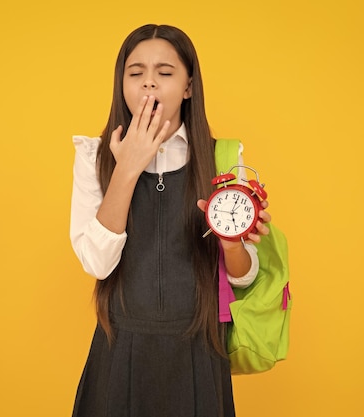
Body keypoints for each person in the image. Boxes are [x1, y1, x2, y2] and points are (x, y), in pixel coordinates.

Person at [69, 24, 271, 417]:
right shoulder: (94, 156)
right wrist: (127, 168)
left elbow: (244, 276)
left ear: (188, 86)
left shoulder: (224, 157)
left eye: (164, 73)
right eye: (135, 73)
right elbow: (96, 262)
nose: (149, 85)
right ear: (121, 83)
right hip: (119, 351)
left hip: (198, 351)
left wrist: (232, 243)